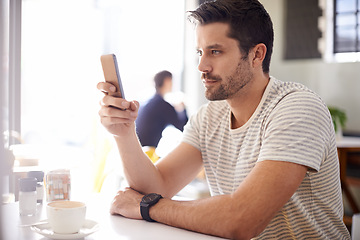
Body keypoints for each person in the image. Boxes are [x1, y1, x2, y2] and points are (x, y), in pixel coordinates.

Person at [97, 0, 350, 239]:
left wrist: (148, 207)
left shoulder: (297, 107)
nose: (201, 66)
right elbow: (156, 187)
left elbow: (242, 219)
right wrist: (124, 132)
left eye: (215, 51)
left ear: (256, 55)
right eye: (200, 52)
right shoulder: (209, 117)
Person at [135, 70, 188, 148]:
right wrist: (183, 109)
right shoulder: (163, 105)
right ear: (167, 81)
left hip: (140, 148)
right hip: (148, 152)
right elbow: (185, 128)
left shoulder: (151, 102)